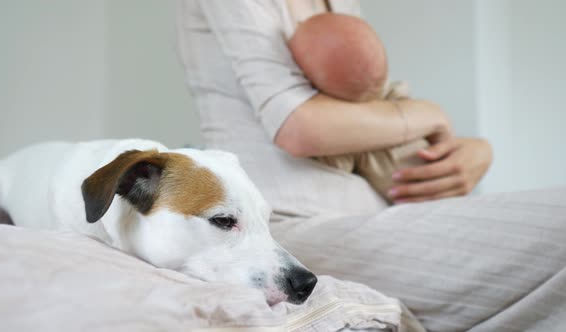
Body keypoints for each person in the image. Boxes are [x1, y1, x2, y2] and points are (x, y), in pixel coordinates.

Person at [175, 1, 566, 331]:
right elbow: (298, 126)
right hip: (289, 227)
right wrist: (433, 116)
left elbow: (366, 99)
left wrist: (477, 150)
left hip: (380, 213)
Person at [288, 12, 430, 202]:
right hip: (438, 166)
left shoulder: (351, 135)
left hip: (423, 194)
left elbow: (336, 164)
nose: (298, 22)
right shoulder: (395, 96)